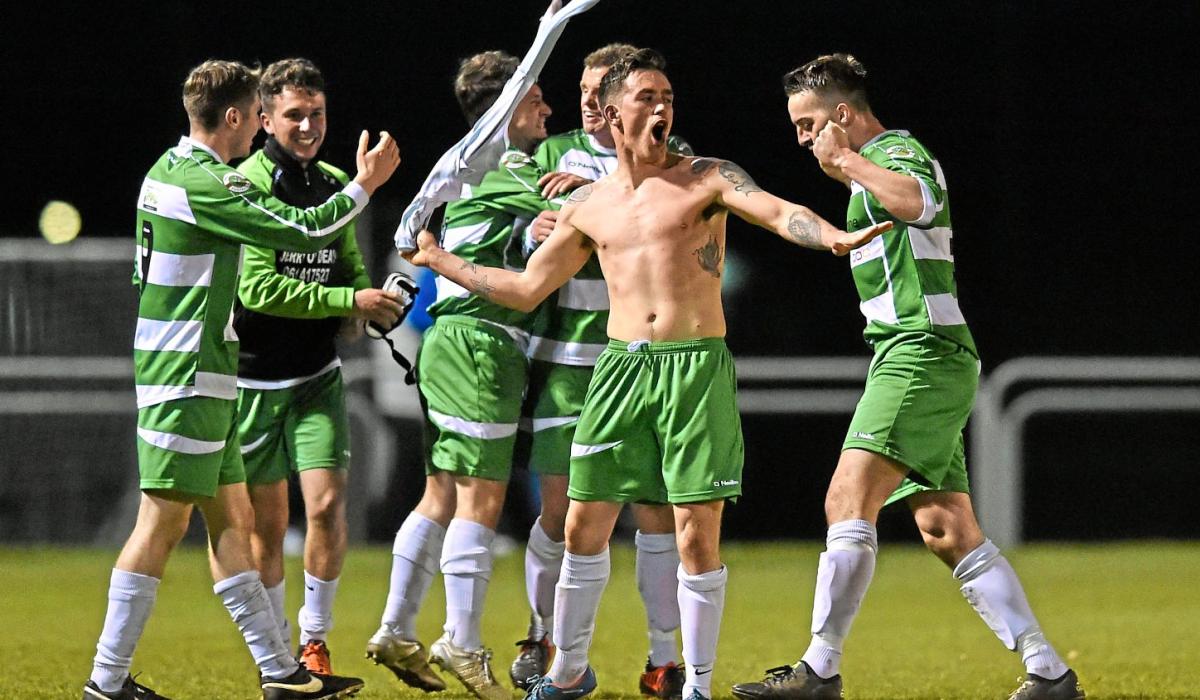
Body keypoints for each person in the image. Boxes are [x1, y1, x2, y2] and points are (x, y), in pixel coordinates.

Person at [404, 48, 889, 700]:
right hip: (618, 370)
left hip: (693, 370)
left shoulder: (707, 176)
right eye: (646, 98)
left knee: (694, 532)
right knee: (580, 526)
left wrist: (830, 236)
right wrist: (441, 261)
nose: (662, 108)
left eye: (667, 96)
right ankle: (568, 670)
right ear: (610, 113)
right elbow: (524, 288)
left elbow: (776, 211)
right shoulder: (591, 206)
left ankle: (695, 685)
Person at [729, 54, 1084, 700]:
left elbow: (920, 202)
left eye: (809, 125)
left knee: (846, 498)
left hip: (922, 352)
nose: (803, 141)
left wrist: (848, 164)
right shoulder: (873, 166)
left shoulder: (895, 152)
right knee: (945, 528)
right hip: (922, 355)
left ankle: (820, 669)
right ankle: (1049, 671)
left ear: (842, 114)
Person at [83, 59, 398, 700]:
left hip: (207, 369)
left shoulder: (167, 171)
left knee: (232, 519)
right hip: (186, 371)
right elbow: (304, 228)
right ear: (234, 117)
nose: (261, 127)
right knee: (159, 525)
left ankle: (281, 672)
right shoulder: (208, 181)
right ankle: (106, 679)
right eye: (258, 114)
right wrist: (364, 187)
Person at [365, 50, 556, 700]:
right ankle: (463, 642)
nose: (547, 110)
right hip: (479, 341)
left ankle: (395, 628)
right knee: (481, 499)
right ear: (507, 109)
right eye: (536, 99)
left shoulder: (470, 164)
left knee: (441, 493)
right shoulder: (509, 165)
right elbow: (599, 205)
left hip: (453, 341)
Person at [509, 42, 694, 698]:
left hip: (646, 363)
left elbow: (659, 218)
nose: (589, 101)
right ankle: (544, 639)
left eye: (601, 89)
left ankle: (664, 659)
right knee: (563, 513)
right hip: (568, 361)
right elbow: (518, 241)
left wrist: (585, 199)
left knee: (655, 511)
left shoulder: (670, 156)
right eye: (583, 89)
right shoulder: (548, 154)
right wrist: (530, 232)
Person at [232, 58, 404, 676]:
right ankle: (277, 648)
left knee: (329, 505)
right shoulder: (246, 185)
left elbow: (345, 264)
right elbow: (258, 289)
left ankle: (314, 639)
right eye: (295, 115)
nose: (308, 125)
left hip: (315, 375)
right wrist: (344, 301)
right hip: (252, 379)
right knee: (269, 523)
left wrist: (372, 303)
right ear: (264, 118)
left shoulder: (334, 181)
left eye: (318, 114)